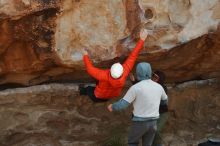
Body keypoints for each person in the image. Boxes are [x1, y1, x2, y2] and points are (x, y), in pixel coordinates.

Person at [107, 62, 168, 146]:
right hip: (153, 122)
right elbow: (165, 100)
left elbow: (123, 104)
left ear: (138, 72)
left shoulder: (135, 88)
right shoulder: (159, 87)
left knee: (132, 143)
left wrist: (112, 106)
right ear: (150, 72)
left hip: (140, 122)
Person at [79, 29, 149, 102]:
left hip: (98, 95)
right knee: (99, 83)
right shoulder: (125, 72)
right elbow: (133, 56)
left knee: (89, 89)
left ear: (110, 70)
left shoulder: (103, 75)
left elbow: (89, 69)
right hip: (111, 95)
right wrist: (142, 40)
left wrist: (85, 55)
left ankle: (81, 91)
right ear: (122, 72)